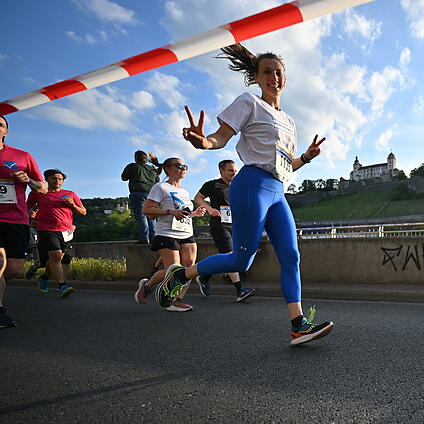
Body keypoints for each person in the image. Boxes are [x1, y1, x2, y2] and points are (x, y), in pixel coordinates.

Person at [160, 43, 333, 345]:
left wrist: (305, 157)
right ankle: (181, 276)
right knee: (242, 261)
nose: (274, 78)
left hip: (278, 190)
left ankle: (298, 324)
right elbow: (221, 137)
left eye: (279, 73)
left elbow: (285, 164)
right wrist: (203, 142)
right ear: (255, 76)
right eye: (267, 72)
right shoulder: (249, 102)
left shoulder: (290, 122)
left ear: (285, 79)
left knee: (291, 255)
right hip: (251, 184)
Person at [133, 157, 206, 312]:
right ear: (168, 169)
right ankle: (148, 286)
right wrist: (169, 211)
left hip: (186, 232)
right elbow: (146, 210)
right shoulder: (160, 187)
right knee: (173, 270)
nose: (183, 168)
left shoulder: (184, 191)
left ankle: (176, 299)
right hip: (167, 233)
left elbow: (182, 213)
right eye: (179, 166)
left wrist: (194, 214)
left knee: (189, 269)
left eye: (185, 166)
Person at [0, 115, 48, 328]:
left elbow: (43, 188)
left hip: (17, 219)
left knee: (13, 269)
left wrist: (28, 180)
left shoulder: (22, 156)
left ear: (6, 132)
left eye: (0, 124)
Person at [193, 159, 256, 302]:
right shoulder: (213, 184)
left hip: (236, 225)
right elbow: (198, 197)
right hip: (219, 225)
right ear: (221, 171)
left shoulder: (239, 186)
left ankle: (204, 276)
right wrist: (209, 209)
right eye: (230, 170)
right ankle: (240, 290)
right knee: (229, 254)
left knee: (229, 257)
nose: (234, 172)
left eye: (235, 170)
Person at [27, 169, 87, 297]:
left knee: (57, 258)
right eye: (54, 178)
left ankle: (44, 277)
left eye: (60, 179)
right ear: (47, 179)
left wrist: (73, 206)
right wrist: (30, 214)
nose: (58, 181)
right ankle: (62, 285)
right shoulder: (38, 192)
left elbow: (83, 212)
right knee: (55, 255)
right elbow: (27, 207)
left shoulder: (70, 194)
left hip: (66, 231)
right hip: (46, 229)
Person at [121, 150, 161, 244]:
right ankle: (153, 238)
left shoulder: (132, 166)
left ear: (136, 158)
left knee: (141, 216)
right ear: (146, 159)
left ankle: (144, 238)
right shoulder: (152, 169)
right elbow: (157, 183)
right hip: (152, 195)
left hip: (138, 193)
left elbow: (124, 178)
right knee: (151, 216)